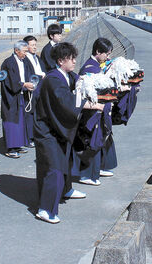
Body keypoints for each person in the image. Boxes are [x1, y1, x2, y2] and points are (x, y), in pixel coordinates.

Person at [34, 42, 104, 224]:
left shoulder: (66, 74)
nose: (74, 62)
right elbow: (66, 102)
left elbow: (80, 81)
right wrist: (93, 105)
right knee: (54, 167)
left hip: (58, 129)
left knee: (66, 160)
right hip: (47, 130)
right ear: (60, 60)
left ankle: (66, 189)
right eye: (70, 59)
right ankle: (45, 208)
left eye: (74, 58)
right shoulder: (53, 79)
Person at [73, 38, 117, 185]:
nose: (108, 57)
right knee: (91, 142)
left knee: (102, 140)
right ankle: (87, 175)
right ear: (98, 52)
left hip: (99, 111)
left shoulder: (95, 65)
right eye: (106, 54)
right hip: (91, 113)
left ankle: (98, 168)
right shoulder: (89, 68)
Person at [0, 40, 35, 158]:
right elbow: (10, 81)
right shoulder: (8, 63)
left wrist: (30, 84)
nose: (26, 54)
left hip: (21, 95)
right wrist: (24, 85)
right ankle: (10, 148)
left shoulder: (24, 61)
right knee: (11, 121)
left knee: (20, 120)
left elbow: (29, 74)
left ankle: (18, 145)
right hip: (11, 97)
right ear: (16, 50)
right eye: (24, 51)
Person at [23, 35, 45, 147]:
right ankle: (29, 137)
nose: (35, 47)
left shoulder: (36, 57)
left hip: (40, 86)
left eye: (35, 45)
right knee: (30, 113)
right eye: (32, 45)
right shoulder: (25, 59)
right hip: (32, 87)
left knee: (38, 112)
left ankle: (36, 135)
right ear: (26, 46)